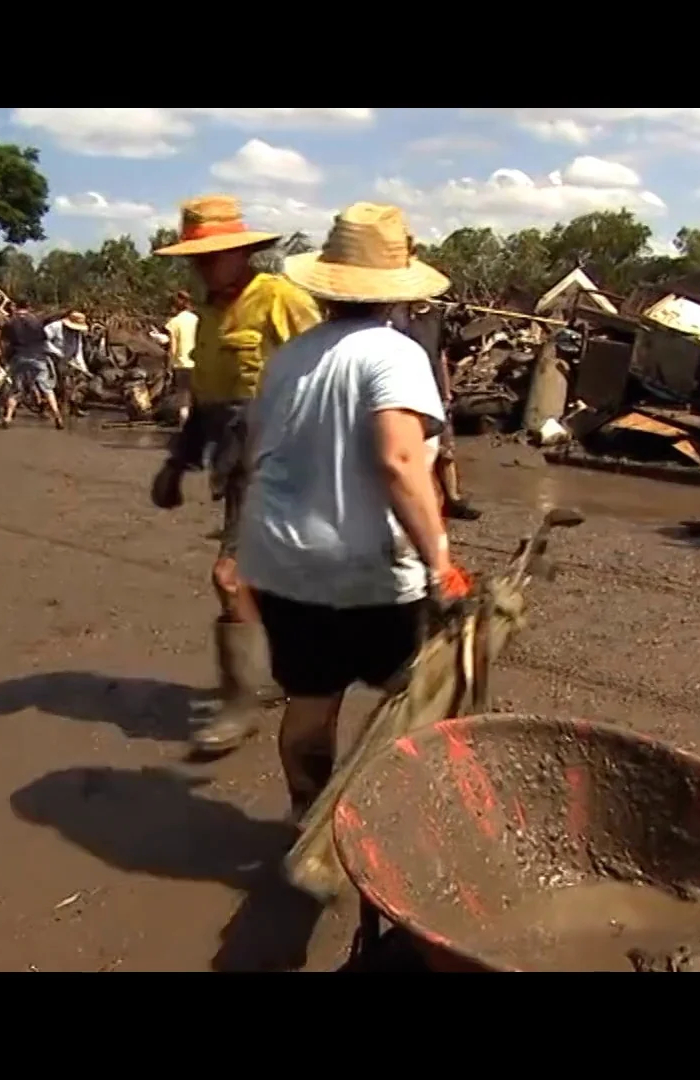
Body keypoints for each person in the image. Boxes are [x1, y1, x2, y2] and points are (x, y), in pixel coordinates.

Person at [237, 202, 473, 819]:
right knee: (413, 695)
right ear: (395, 291)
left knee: (311, 702)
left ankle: (305, 819)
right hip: (361, 566)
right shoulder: (393, 353)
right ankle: (387, 821)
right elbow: (400, 462)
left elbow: (258, 450)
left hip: (282, 560)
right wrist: (440, 562)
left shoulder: (287, 358)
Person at [150, 194, 322, 756]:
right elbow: (207, 400)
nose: (200, 267)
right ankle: (279, 674)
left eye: (210, 256)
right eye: (194, 258)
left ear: (241, 252)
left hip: (288, 460)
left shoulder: (279, 298)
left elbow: (329, 371)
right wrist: (178, 462)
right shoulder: (207, 315)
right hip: (240, 467)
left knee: (231, 575)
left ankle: (240, 702)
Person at [397, 298, 482, 521]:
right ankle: (416, 504)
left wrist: (446, 389)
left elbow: (440, 355)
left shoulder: (434, 316)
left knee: (446, 447)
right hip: (407, 387)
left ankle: (452, 498)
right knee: (415, 449)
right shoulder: (399, 317)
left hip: (432, 384)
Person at [0, 303, 62, 429]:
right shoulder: (36, 322)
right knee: (47, 388)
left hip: (19, 357)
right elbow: (44, 340)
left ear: (16, 308)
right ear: (28, 308)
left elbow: (5, 342)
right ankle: (57, 415)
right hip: (38, 357)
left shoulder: (10, 323)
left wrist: (5, 358)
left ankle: (8, 417)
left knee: (16, 390)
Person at [44, 310, 91, 416]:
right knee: (55, 384)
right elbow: (42, 340)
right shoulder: (55, 327)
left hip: (68, 359)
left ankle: (73, 407)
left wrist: (82, 366)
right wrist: (56, 352)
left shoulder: (77, 333)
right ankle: (48, 407)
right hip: (51, 357)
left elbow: (78, 349)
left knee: (77, 383)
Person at [164, 291, 198, 425]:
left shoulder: (174, 322)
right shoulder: (196, 319)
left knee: (183, 401)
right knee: (196, 400)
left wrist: (169, 366)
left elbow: (173, 347)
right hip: (197, 363)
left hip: (181, 364)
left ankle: (184, 430)